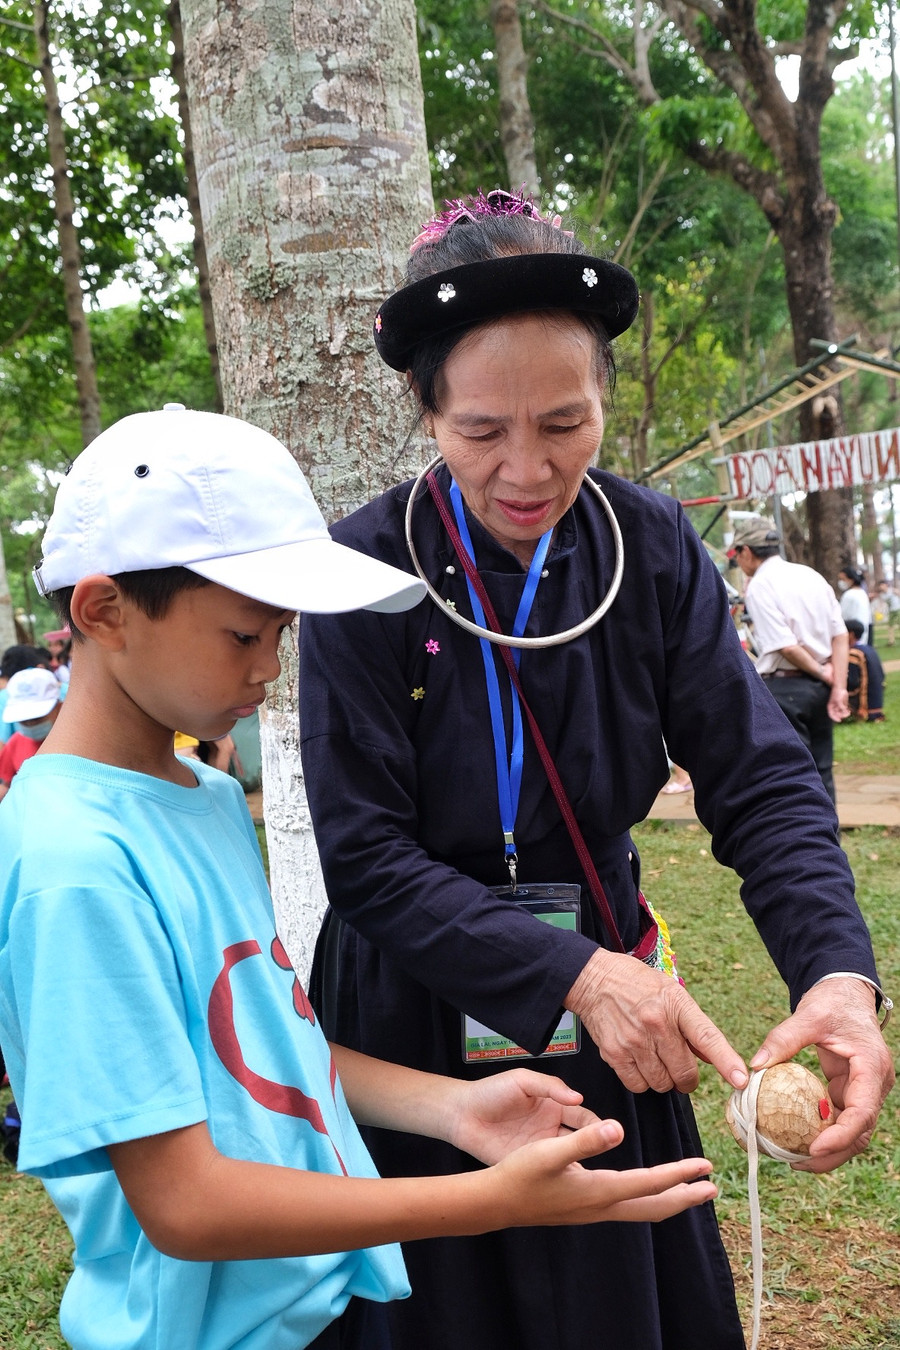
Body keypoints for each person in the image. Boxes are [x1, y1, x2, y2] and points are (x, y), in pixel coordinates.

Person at [298, 190, 894, 1350]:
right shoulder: (362, 568)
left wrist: (837, 974)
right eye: (482, 431)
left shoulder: (652, 544)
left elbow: (758, 776)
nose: (528, 469)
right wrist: (578, 975)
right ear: (426, 413)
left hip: (613, 998)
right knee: (442, 1313)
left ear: (605, 401)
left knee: (620, 1302)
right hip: (419, 1010)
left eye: (566, 422)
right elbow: (364, 854)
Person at [0, 406, 721, 1350]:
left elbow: (258, 1052)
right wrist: (483, 1203)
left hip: (312, 1305)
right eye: (242, 636)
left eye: (282, 635)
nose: (271, 669)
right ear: (103, 612)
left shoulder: (208, 797)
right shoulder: (74, 866)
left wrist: (455, 1108)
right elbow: (184, 1205)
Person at [732, 516, 849, 804]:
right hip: (820, 688)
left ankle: (807, 844)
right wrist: (838, 686)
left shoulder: (760, 585)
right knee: (822, 769)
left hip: (786, 689)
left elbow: (786, 646)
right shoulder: (810, 575)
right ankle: (830, 842)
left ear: (746, 551)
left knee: (792, 774)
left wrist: (824, 673)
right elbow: (840, 635)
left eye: (737, 554)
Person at [0, 666, 63, 800]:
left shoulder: (75, 741)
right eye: (23, 720)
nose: (29, 724)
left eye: (36, 718)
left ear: (59, 707)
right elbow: (6, 783)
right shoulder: (15, 743)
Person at [845, 618, 886, 721]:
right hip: (877, 704)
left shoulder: (854, 654)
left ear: (851, 634)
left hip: (865, 704)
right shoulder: (869, 649)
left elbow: (852, 683)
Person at [838, 564, 873, 645]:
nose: (841, 582)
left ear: (851, 579)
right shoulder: (862, 593)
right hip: (863, 633)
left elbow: (842, 616)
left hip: (851, 634)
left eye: (842, 579)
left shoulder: (848, 595)